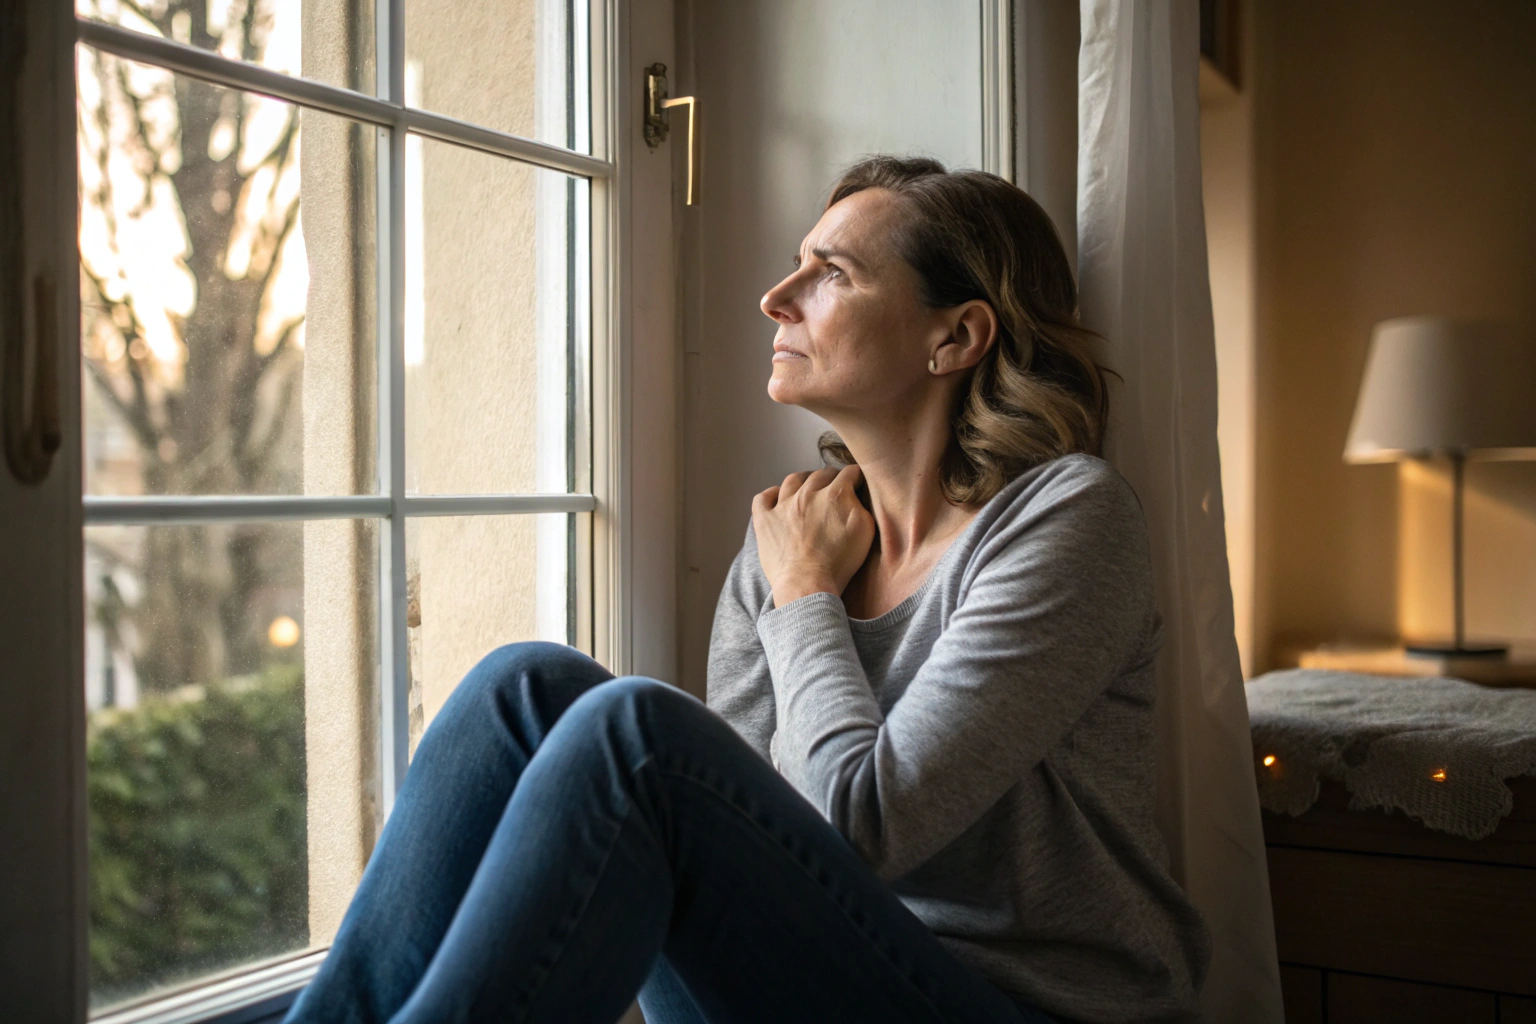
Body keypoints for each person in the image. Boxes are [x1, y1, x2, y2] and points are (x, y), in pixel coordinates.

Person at [285, 156, 1210, 1024]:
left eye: (832, 274)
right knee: (522, 687)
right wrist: (798, 578)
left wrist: (805, 594)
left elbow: (859, 828)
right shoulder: (791, 533)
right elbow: (747, 833)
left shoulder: (1066, 518)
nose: (776, 297)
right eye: (793, 266)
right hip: (807, 973)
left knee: (637, 737)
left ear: (956, 336)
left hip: (1015, 1004)